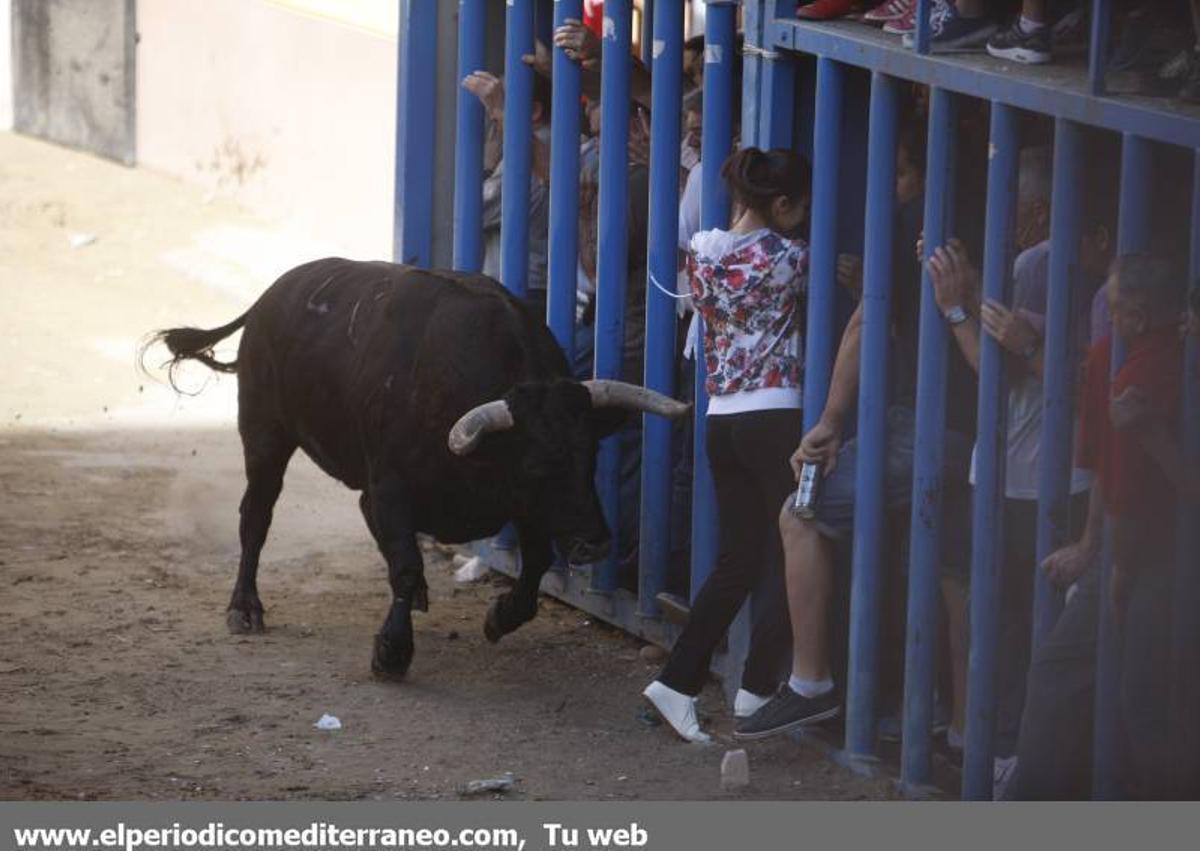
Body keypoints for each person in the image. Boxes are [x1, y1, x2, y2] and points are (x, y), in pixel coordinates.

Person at [734, 122, 979, 741]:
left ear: (923, 175)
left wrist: (829, 423)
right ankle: (954, 729)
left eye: (898, 173)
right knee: (948, 575)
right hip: (974, 435)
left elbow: (867, 324)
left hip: (926, 428)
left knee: (800, 513)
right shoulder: (977, 219)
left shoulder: (914, 219)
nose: (892, 189)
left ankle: (812, 684)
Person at [644, 147, 812, 742]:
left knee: (739, 558)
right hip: (776, 418)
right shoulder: (793, 258)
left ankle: (678, 681)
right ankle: (758, 687)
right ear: (784, 204)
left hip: (722, 421)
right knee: (802, 551)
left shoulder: (705, 253)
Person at [1014, 253, 1196, 799]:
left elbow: (1120, 484)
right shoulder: (1141, 361)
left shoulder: (1131, 369)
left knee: (1142, 704)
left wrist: (1109, 563)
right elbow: (1110, 474)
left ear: (1136, 316)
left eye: (1113, 310)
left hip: (1152, 556)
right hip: (1149, 549)